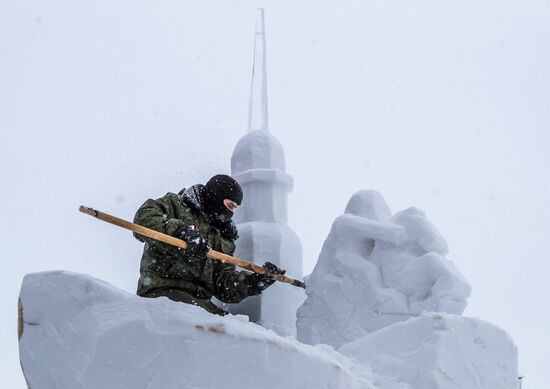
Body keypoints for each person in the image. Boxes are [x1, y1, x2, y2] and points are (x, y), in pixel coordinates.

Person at [133, 174, 285, 315]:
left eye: (234, 208)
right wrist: (180, 233)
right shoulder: (176, 205)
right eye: (230, 205)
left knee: (236, 332)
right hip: (163, 292)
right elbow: (144, 219)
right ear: (216, 196)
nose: (231, 212)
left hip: (200, 302)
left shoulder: (224, 237)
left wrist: (251, 283)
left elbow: (223, 283)